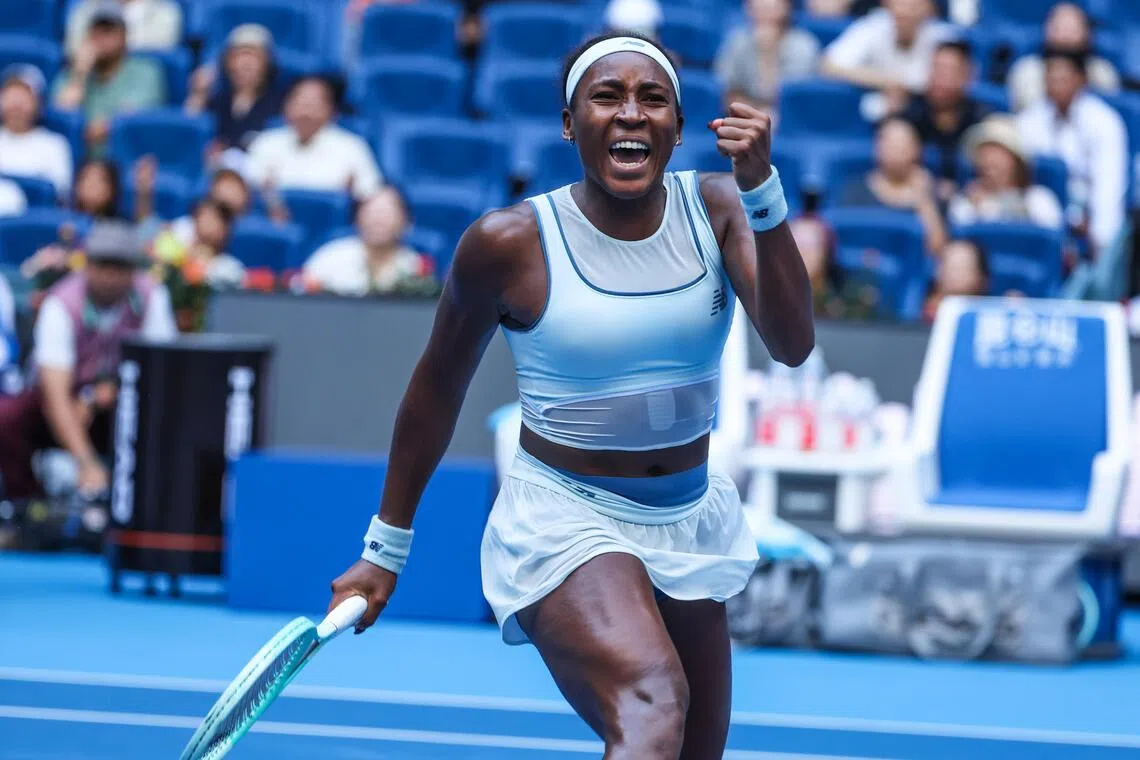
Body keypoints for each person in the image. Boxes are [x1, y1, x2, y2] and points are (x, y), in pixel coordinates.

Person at [326, 31, 814, 758]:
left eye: (653, 99)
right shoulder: (507, 243)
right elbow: (436, 390)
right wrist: (385, 548)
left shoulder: (721, 207)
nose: (629, 114)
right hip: (565, 518)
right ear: (568, 122)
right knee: (652, 704)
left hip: (687, 517)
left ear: (678, 130)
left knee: (691, 749)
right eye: (606, 96)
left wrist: (764, 194)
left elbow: (792, 342)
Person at [0, 221, 177, 500]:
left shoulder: (152, 297)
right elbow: (54, 393)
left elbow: (162, 374)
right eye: (101, 264)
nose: (109, 275)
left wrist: (104, 394)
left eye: (119, 266)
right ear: (87, 264)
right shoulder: (60, 303)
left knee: (167, 414)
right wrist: (86, 462)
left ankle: (148, 506)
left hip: (124, 405)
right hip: (61, 404)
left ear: (133, 270)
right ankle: (27, 507)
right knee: (6, 418)